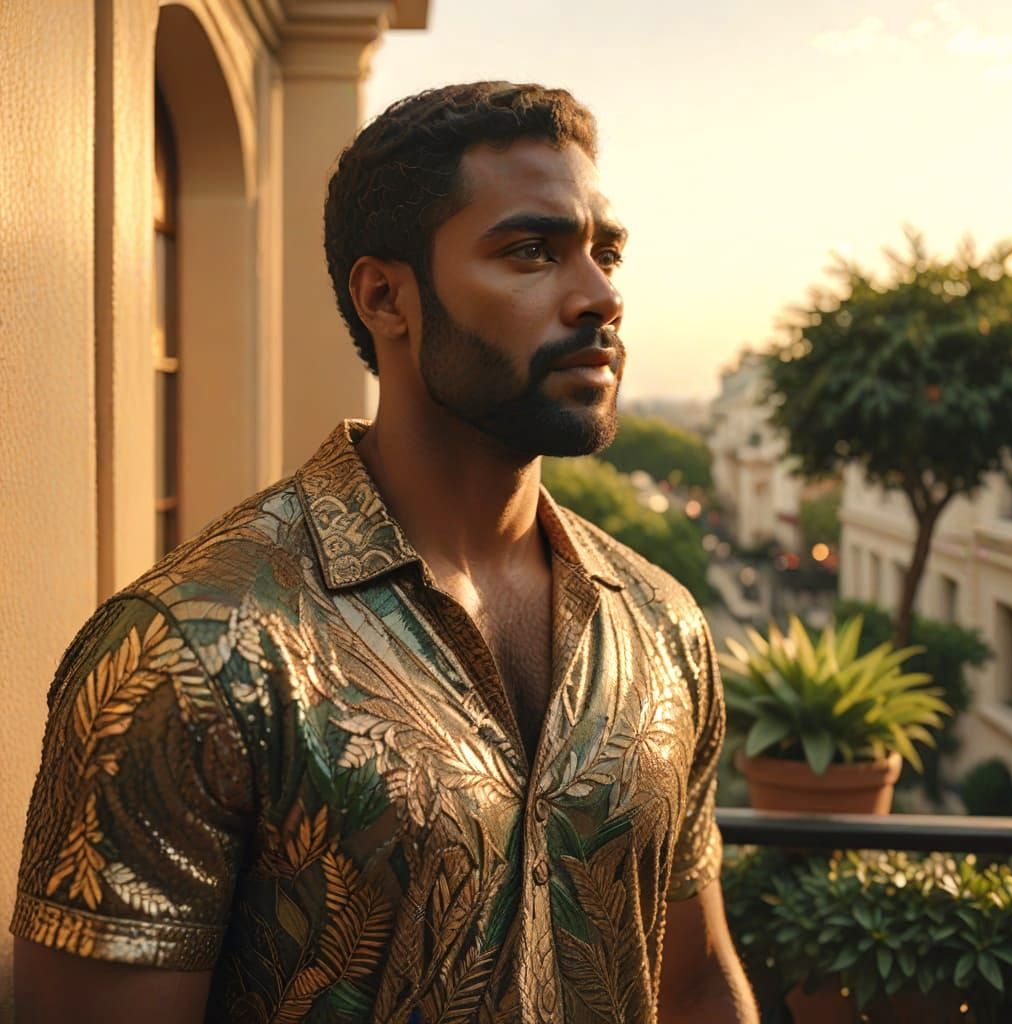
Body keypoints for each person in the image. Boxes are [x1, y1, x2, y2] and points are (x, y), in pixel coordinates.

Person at [12, 81, 757, 1023]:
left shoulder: (662, 626)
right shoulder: (189, 652)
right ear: (385, 296)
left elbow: (693, 983)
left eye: (605, 252)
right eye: (532, 251)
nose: (600, 296)